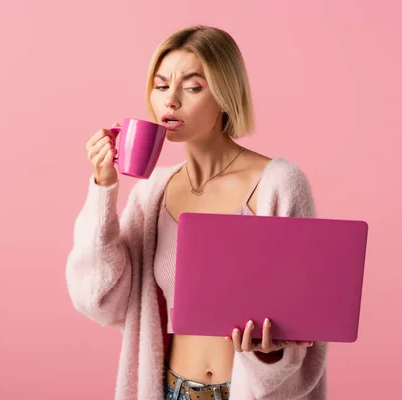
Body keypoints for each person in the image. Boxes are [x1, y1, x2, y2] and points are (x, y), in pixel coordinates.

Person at [65, 25, 328, 400]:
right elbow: (99, 298)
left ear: (224, 95)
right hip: (171, 390)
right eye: (160, 86)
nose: (170, 101)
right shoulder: (152, 193)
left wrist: (273, 354)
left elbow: (307, 318)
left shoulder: (279, 184)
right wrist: (103, 187)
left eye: (192, 86)